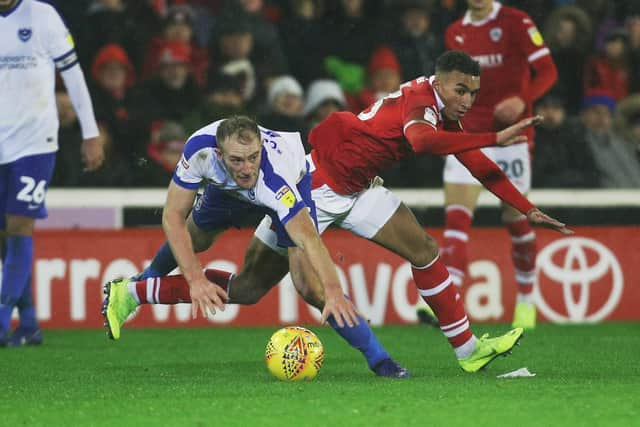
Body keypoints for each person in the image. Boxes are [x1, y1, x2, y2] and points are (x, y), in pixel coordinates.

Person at [104, 51, 571, 375]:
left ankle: (467, 350)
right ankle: (135, 292)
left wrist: (525, 207)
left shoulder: (443, 108)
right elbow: (421, 141)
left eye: (473, 92)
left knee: (425, 249)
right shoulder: (421, 105)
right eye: (461, 90)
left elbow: (474, 163)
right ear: (440, 81)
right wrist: (495, 135)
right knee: (249, 289)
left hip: (360, 188)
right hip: (319, 186)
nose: (468, 100)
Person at [433, 0, 558, 331]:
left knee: (516, 220)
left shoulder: (516, 21)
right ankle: (448, 305)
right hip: (469, 136)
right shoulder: (455, 32)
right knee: (456, 222)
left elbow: (548, 71)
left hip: (512, 138)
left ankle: (527, 301)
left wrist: (522, 98)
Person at [0, 0, 104, 346]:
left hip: (35, 142)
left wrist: (90, 133)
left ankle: (1, 320)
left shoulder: (42, 16)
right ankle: (28, 324)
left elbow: (73, 74)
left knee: (19, 224)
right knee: (5, 235)